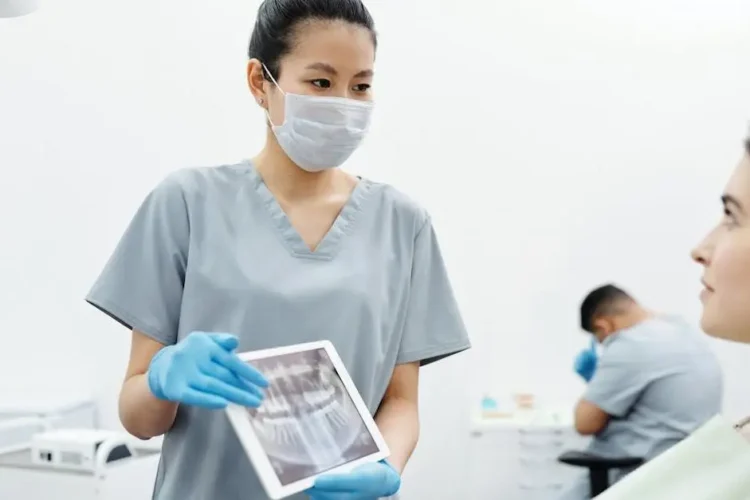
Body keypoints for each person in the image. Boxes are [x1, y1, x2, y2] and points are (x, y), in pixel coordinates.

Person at [84, 1, 471, 498]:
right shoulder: (186, 203)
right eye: (320, 82)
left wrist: (387, 466)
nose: (344, 104)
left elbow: (400, 401)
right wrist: (160, 381)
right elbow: (138, 418)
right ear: (259, 82)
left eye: (361, 85)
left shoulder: (403, 223)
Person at [558, 284, 723, 500]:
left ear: (604, 325)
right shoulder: (683, 330)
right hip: (686, 469)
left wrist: (594, 380)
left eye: (600, 338)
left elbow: (585, 423)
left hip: (635, 471)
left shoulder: (629, 344)